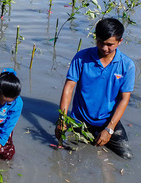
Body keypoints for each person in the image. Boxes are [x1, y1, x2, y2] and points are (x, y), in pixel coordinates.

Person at [56, 18, 134, 159]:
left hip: (107, 120)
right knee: (70, 157)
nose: (104, 48)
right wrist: (62, 119)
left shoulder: (127, 65)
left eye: (110, 45)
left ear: (119, 42)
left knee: (126, 156)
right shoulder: (81, 58)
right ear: (95, 38)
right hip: (79, 120)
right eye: (100, 43)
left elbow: (124, 99)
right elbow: (69, 88)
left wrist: (109, 129)